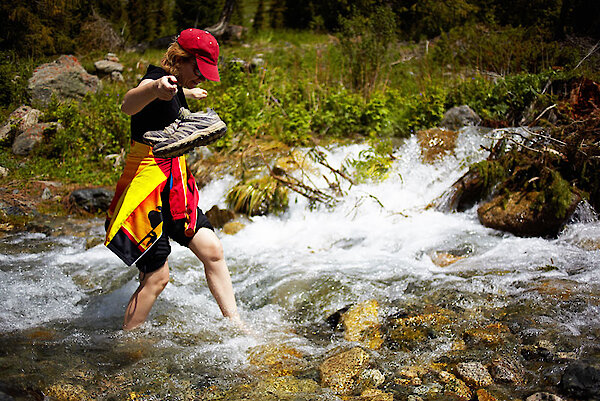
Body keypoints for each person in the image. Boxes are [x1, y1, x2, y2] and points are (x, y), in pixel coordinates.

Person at [104, 28, 243, 331]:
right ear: (179, 59)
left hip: (175, 186)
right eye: (199, 70)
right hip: (146, 187)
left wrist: (186, 93)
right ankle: (127, 344)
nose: (203, 77)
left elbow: (170, 100)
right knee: (158, 276)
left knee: (213, 251)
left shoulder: (176, 85)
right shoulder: (156, 78)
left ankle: (236, 328)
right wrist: (154, 88)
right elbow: (128, 105)